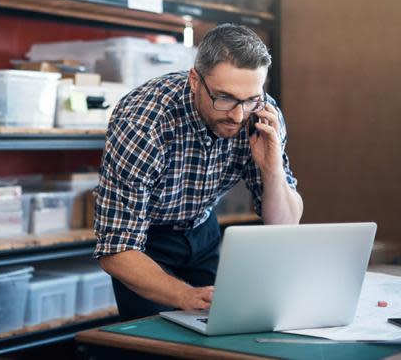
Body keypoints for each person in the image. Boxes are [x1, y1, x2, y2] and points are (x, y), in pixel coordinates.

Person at [94, 23, 303, 321]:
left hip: (202, 229)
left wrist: (272, 170)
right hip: (144, 244)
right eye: (225, 97)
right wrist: (185, 295)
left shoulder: (261, 115)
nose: (237, 115)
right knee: (157, 347)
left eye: (250, 99)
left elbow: (284, 224)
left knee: (221, 331)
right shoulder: (143, 123)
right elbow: (116, 249)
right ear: (194, 80)